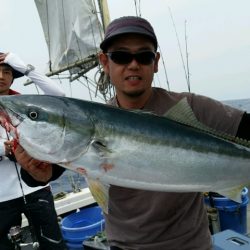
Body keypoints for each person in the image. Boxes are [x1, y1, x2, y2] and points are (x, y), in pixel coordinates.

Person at [14, 16, 250, 250]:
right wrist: (36, 174)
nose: (133, 64)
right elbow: (50, 168)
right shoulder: (86, 132)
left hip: (191, 245)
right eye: (121, 56)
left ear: (156, 62)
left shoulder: (192, 107)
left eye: (144, 56)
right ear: (105, 62)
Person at [0, 52, 67, 250]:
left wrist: (26, 68)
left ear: (13, 77)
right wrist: (3, 148)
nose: (2, 76)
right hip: (2, 196)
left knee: (54, 245)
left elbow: (59, 96)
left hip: (37, 189)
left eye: (7, 72)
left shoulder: (27, 105)